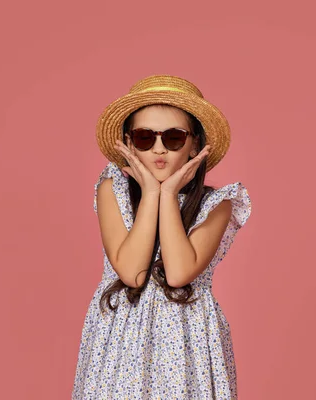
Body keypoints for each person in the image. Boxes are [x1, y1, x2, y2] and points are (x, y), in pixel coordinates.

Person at [72, 74, 252, 399]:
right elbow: (132, 272)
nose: (158, 149)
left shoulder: (218, 205)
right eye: (144, 138)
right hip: (119, 341)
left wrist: (167, 193)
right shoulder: (112, 191)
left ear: (194, 143)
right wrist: (151, 195)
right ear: (129, 143)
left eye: (173, 138)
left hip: (188, 342)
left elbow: (179, 273)